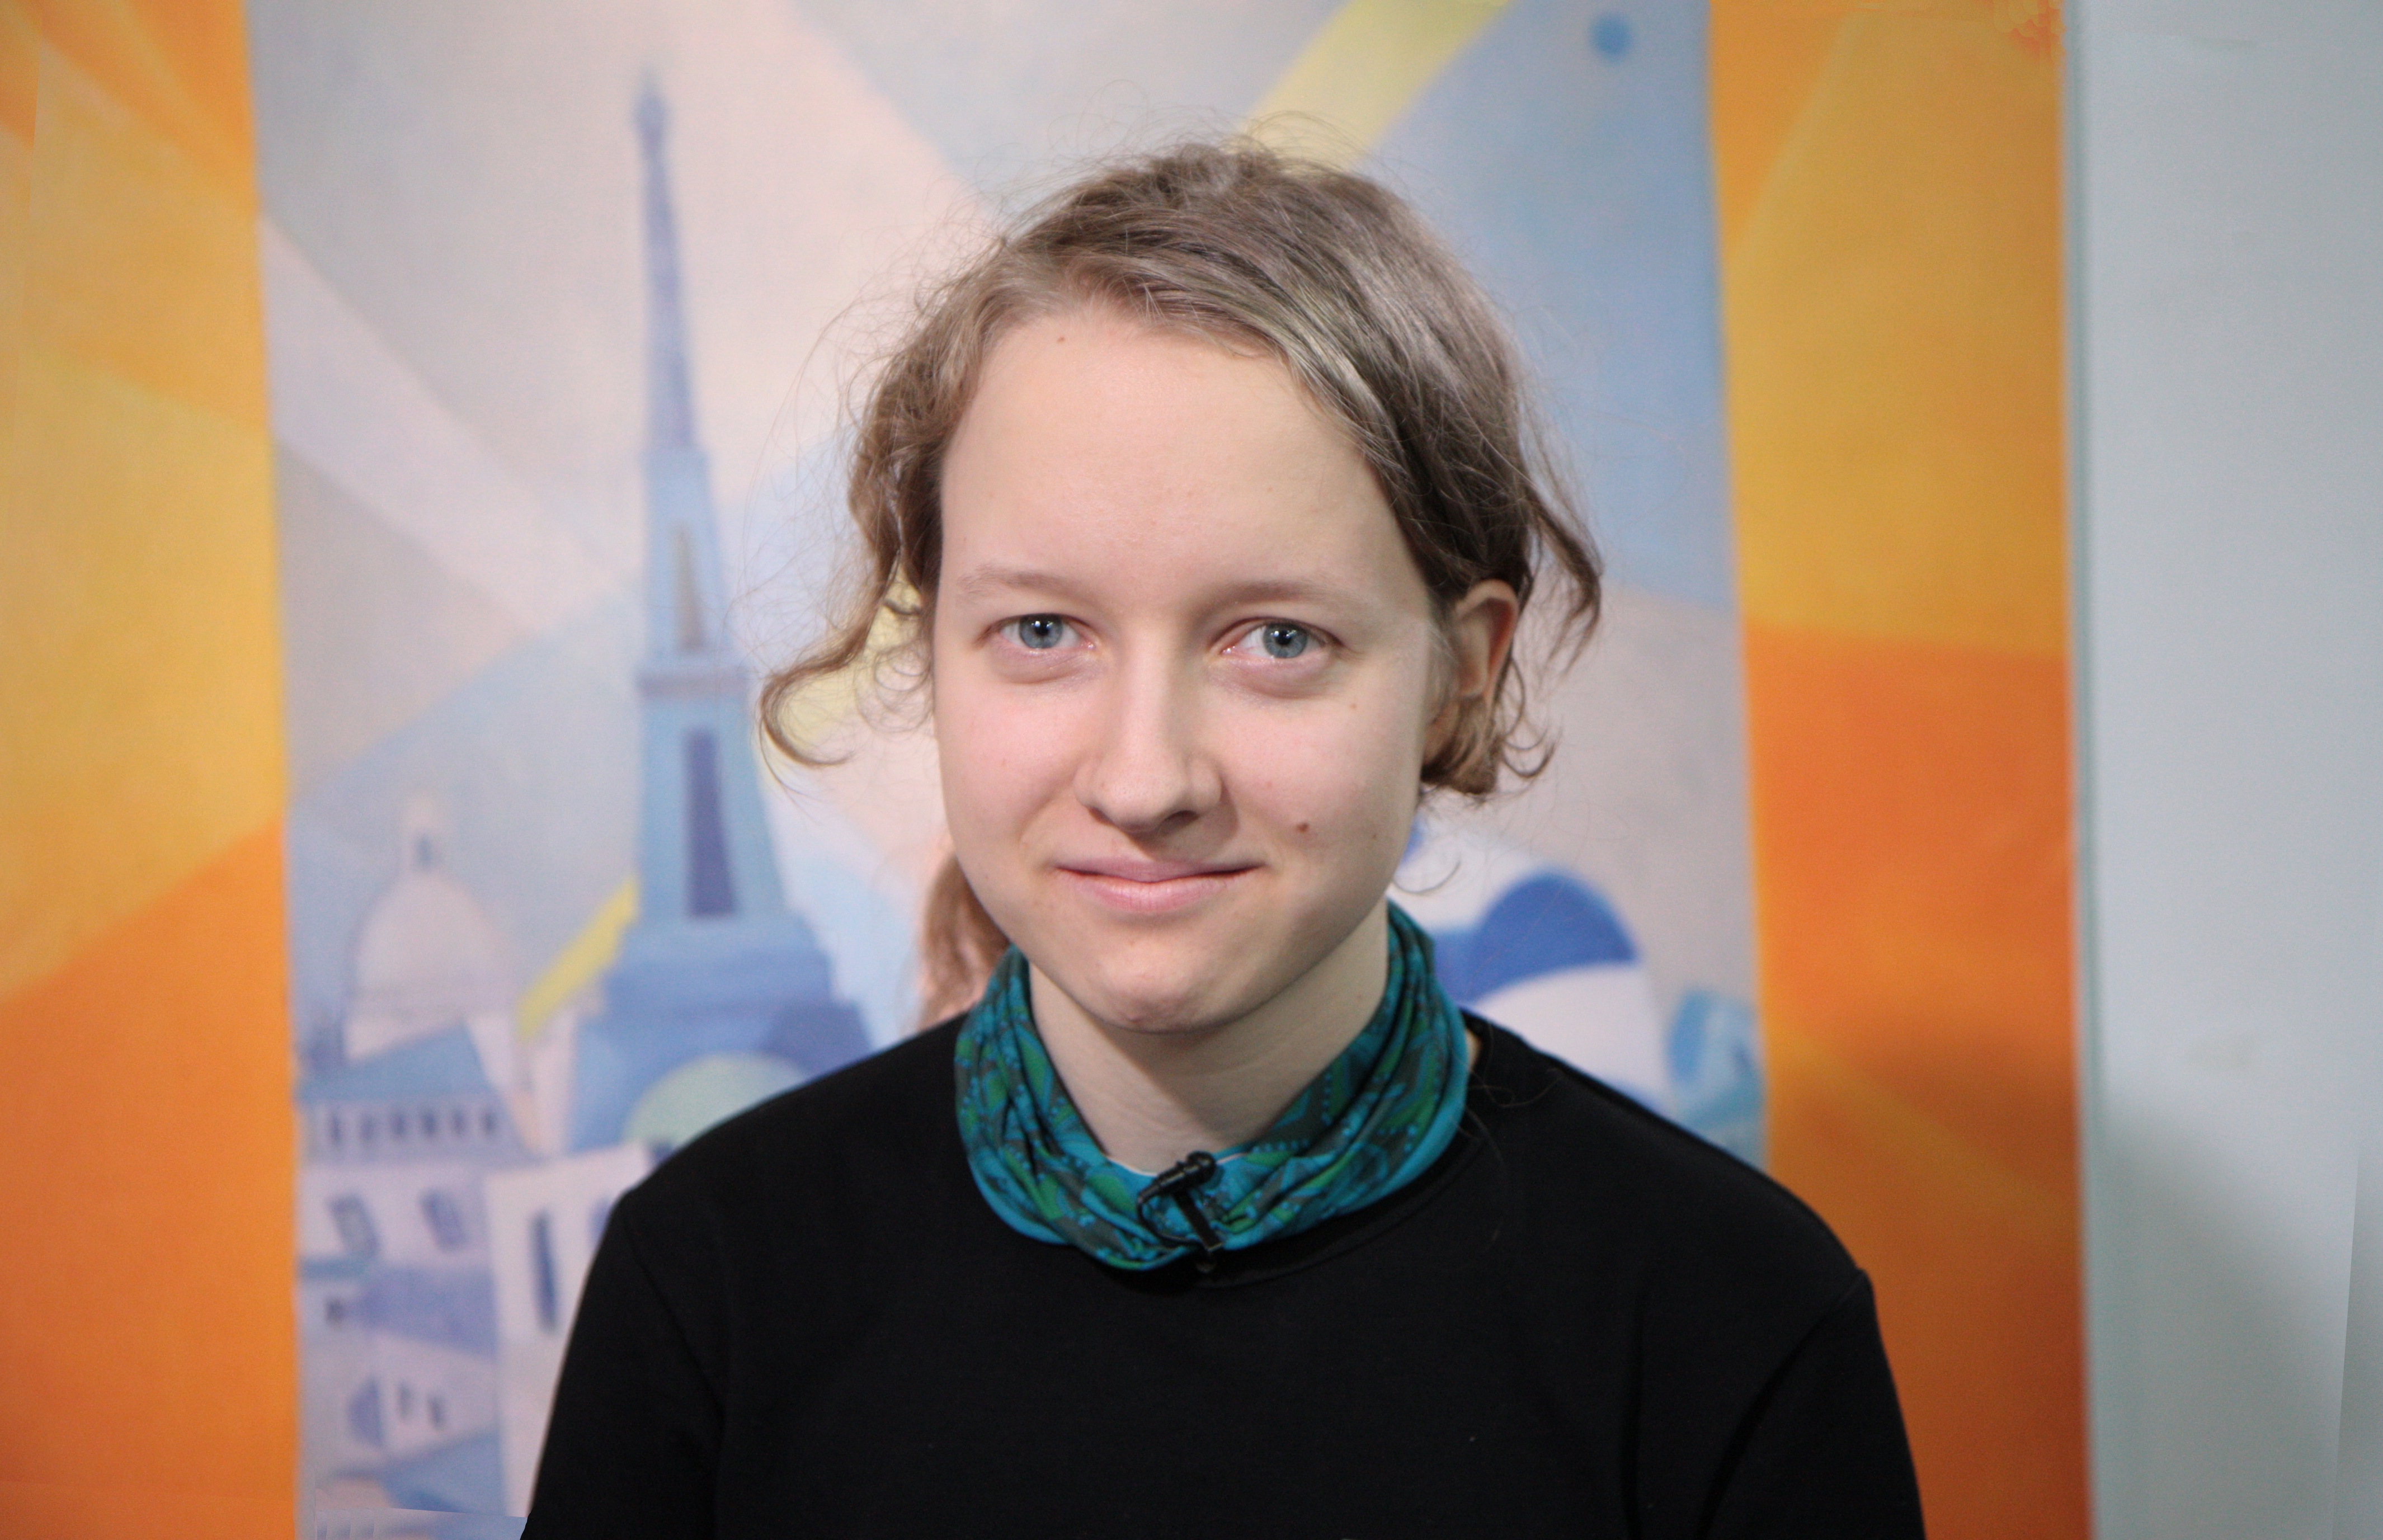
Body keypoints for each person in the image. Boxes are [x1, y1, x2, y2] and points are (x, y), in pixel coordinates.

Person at [524, 138, 1924, 1538]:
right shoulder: (707, 1283)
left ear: (1462, 672)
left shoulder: (1731, 1326)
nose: (1146, 780)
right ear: (932, 651)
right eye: (1042, 629)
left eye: (1276, 640)